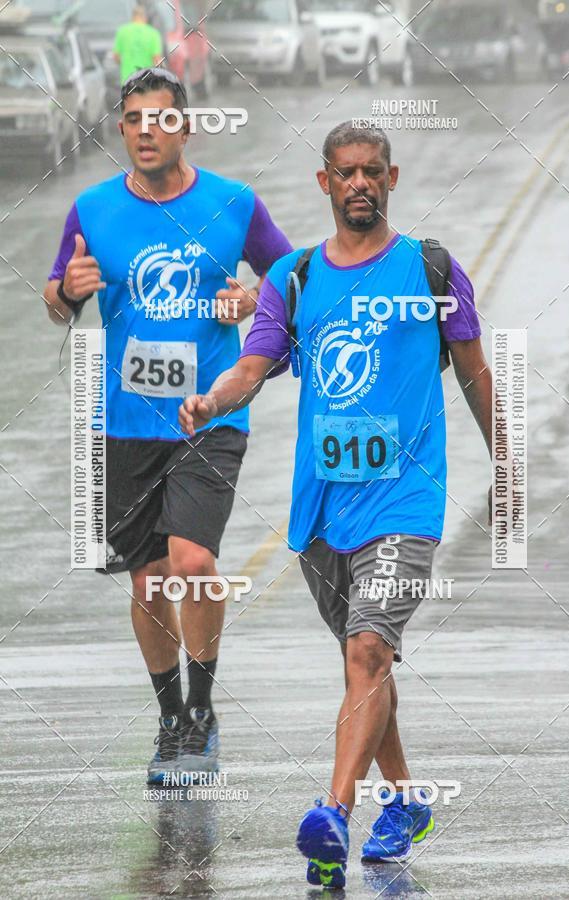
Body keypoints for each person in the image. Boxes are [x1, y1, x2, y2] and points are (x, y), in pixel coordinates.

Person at [179, 122, 492, 888]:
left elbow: (478, 374)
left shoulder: (430, 269)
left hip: (407, 503)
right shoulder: (293, 276)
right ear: (325, 182)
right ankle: (407, 801)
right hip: (323, 511)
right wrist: (214, 398)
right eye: (346, 172)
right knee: (367, 665)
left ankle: (334, 814)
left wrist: (508, 465)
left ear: (392, 178)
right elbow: (254, 364)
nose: (360, 183)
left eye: (373, 172)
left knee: (367, 651)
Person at [43, 68, 292, 785]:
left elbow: (292, 282)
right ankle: (169, 715)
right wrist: (66, 292)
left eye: (160, 119)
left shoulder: (233, 204)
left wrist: (252, 301)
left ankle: (203, 710)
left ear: (185, 127)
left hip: (207, 415)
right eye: (133, 121)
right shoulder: (91, 210)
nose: (146, 131)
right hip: (126, 422)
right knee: (148, 583)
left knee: (192, 563)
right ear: (121, 130)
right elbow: (59, 302)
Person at [113, 5, 163, 84]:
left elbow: (116, 57)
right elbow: (157, 59)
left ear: (132, 17)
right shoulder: (153, 33)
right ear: (145, 18)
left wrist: (125, 63)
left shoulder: (122, 31)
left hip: (128, 79)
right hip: (146, 80)